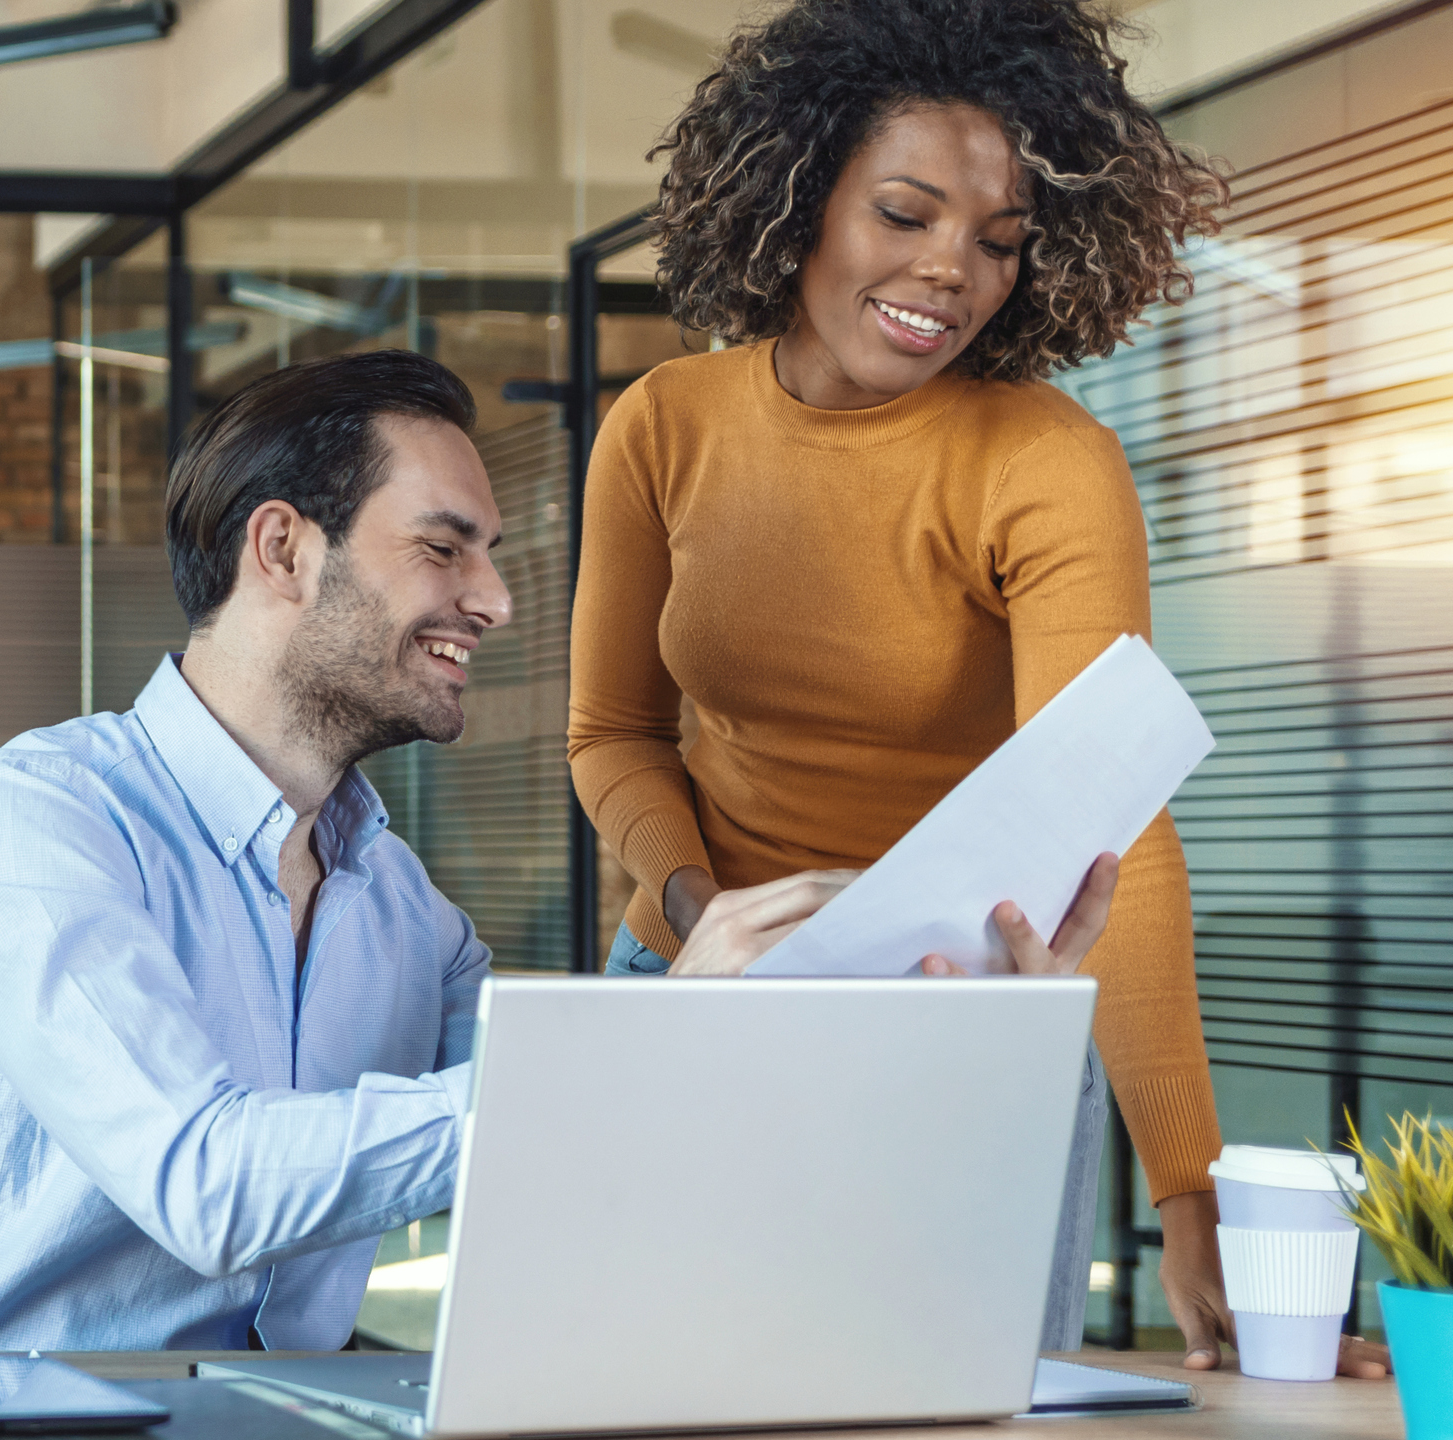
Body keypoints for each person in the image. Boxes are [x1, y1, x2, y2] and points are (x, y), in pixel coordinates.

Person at [0, 349, 1089, 1354]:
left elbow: (603, 1148)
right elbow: (204, 1184)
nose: (494, 600)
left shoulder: (396, 905)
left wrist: (947, 1021)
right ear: (281, 550)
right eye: (443, 549)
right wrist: (655, 1032)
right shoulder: (28, 825)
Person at [570, 0, 1384, 1376]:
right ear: (796, 196)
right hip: (695, 980)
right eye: (903, 213)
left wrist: (1187, 1201)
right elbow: (610, 735)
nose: (950, 269)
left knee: (958, 1397)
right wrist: (709, 913)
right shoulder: (662, 425)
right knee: (644, 1382)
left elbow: (1110, 823)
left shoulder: (1040, 460)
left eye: (996, 241)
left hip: (954, 1008)